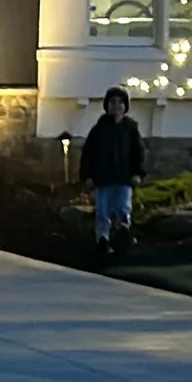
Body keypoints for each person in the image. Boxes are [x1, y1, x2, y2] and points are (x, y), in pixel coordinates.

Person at [80, 87, 145, 256]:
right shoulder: (99, 130)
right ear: (107, 105)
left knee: (123, 208)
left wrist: (138, 173)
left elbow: (138, 152)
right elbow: (88, 153)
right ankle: (103, 239)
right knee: (103, 210)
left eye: (120, 102)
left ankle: (122, 234)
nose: (116, 106)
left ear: (125, 106)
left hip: (124, 177)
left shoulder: (130, 129)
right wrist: (87, 176)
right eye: (112, 102)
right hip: (103, 177)